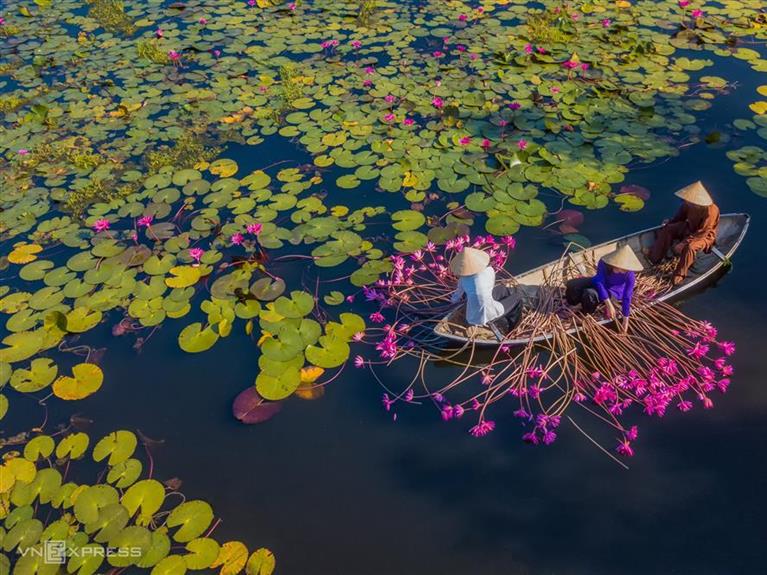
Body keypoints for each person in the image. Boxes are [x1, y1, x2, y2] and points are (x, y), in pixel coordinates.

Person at [648, 181, 720, 286]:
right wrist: (669, 222)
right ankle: (655, 257)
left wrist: (683, 243)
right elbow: (679, 218)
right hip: (689, 228)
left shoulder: (711, 210)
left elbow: (703, 232)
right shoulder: (687, 204)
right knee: (668, 229)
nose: (685, 201)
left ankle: (680, 274)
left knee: (690, 247)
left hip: (705, 236)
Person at [565, 245, 643, 333]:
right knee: (571, 284)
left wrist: (625, 320)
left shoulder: (630, 275)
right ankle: (574, 304)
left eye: (624, 270)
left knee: (590, 294)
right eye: (618, 268)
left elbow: (627, 297)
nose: (621, 271)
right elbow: (599, 282)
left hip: (613, 292)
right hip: (599, 284)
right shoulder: (604, 263)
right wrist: (608, 304)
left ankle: (586, 313)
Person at [450, 247, 520, 327]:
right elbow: (490, 287)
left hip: (472, 316)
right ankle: (513, 326)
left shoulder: (463, 279)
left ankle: (505, 309)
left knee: (502, 289)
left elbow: (456, 296)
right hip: (489, 313)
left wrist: (453, 303)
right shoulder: (489, 270)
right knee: (518, 297)